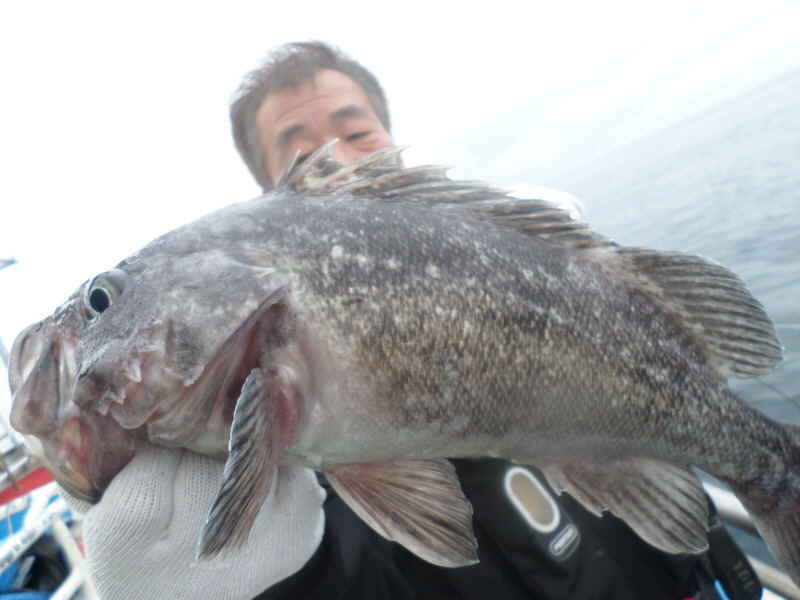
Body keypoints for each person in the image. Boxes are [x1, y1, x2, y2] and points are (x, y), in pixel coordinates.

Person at [69, 42, 761, 600]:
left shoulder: (534, 250)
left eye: (356, 128)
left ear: (395, 142)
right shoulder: (298, 454)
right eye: (299, 148)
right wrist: (295, 585)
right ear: (271, 201)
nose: (336, 155)